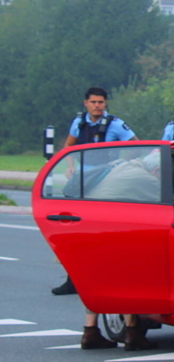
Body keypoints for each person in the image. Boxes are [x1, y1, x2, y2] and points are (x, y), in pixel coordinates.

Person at [51, 87, 137, 296]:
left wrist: (121, 165)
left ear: (105, 104)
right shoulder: (79, 123)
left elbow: (136, 144)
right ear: (86, 103)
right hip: (83, 180)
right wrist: (70, 166)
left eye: (100, 102)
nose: (97, 106)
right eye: (93, 102)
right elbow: (68, 147)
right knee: (76, 231)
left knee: (104, 231)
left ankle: (108, 278)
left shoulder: (115, 124)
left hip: (106, 180)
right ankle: (73, 280)